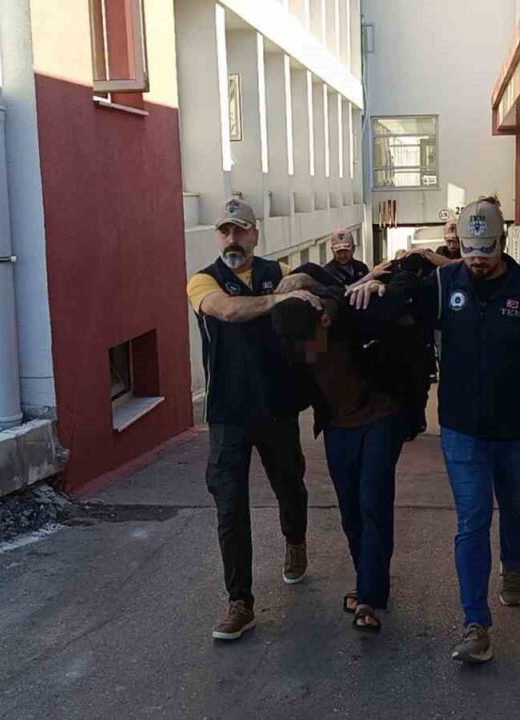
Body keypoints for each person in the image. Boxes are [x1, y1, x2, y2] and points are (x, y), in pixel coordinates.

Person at [347, 197, 520, 664]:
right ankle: (475, 623)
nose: (477, 258)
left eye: (486, 249)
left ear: (503, 242)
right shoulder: (443, 283)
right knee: (472, 519)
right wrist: (374, 283)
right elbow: (402, 295)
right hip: (462, 429)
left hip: (517, 431)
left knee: (515, 508)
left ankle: (512, 565)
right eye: (470, 249)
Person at [185, 197, 322, 642]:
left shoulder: (276, 271)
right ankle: (239, 603)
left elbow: (305, 287)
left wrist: (300, 281)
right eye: (225, 231)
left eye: (240, 230)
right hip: (227, 415)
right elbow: (227, 311)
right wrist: (279, 297)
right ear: (217, 236)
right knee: (230, 507)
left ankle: (295, 541)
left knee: (290, 487)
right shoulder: (203, 281)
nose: (232, 239)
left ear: (255, 235)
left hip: (276, 408)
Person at [270, 267, 420, 634]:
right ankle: (367, 580)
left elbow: (407, 287)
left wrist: (379, 284)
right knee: (351, 511)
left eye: (308, 344)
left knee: (372, 502)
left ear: (323, 320)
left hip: (380, 419)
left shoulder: (358, 310)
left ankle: (369, 596)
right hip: (338, 427)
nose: (305, 355)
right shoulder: (294, 333)